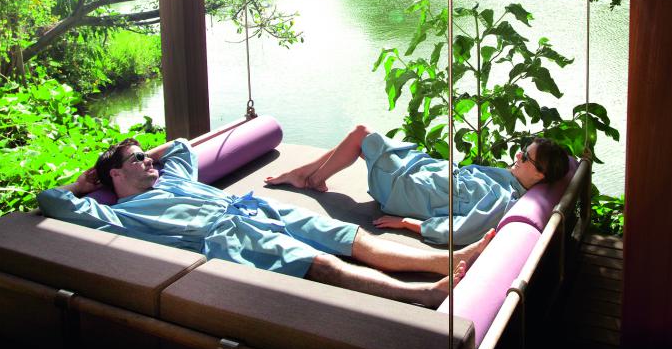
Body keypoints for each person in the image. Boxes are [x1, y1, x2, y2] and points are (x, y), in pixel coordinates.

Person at [37, 138, 492, 308]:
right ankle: (422, 294)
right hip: (229, 238)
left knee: (345, 235)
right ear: (115, 177)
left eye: (145, 157)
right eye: (137, 160)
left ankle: (438, 261)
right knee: (319, 264)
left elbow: (179, 146)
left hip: (254, 207)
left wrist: (141, 154)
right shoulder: (116, 214)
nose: (149, 162)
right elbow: (51, 201)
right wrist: (84, 183)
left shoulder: (171, 175)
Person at [265, 126, 569, 246]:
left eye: (524, 157)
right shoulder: (510, 180)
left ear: (539, 174)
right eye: (522, 151)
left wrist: (408, 224)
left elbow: (463, 230)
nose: (517, 156)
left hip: (407, 190)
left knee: (361, 136)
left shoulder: (504, 199)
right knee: (366, 140)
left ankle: (309, 177)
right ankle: (306, 175)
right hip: (420, 175)